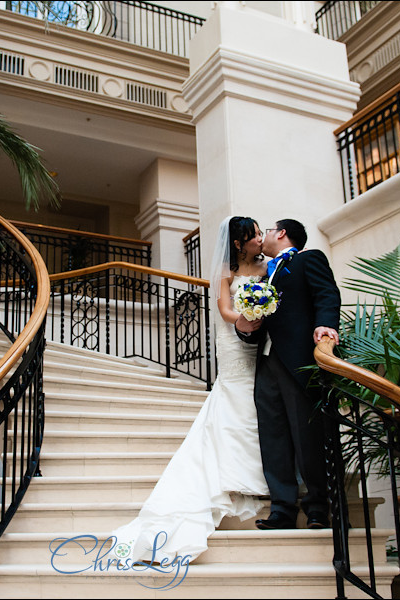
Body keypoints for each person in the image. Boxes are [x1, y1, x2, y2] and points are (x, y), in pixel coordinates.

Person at [108, 216, 271, 563]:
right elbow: (225, 310)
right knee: (236, 403)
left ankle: (262, 479)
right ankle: (236, 481)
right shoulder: (226, 274)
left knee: (258, 405)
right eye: (253, 234)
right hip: (233, 344)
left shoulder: (267, 266)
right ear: (238, 243)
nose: (259, 238)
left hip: (261, 343)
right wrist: (245, 317)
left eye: (260, 233)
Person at [235, 219, 341, 530]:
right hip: (266, 361)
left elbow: (326, 293)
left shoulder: (309, 259)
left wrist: (326, 325)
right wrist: (245, 329)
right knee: (273, 437)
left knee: (308, 436)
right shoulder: (263, 273)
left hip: (298, 360)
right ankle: (282, 508)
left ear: (281, 233)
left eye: (267, 229)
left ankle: (319, 507)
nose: (263, 235)